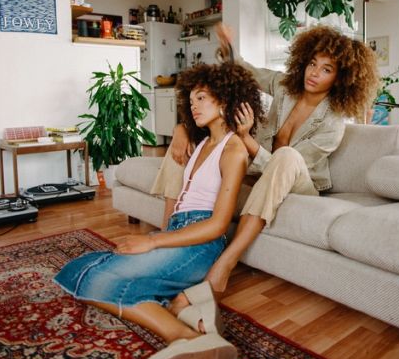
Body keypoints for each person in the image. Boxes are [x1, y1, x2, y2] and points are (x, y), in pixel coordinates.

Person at [54, 61, 266, 359]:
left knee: (100, 279)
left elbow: (217, 225)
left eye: (201, 98)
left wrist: (153, 243)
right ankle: (186, 310)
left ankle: (188, 338)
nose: (192, 106)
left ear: (224, 100)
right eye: (191, 100)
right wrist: (157, 238)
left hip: (200, 243)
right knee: (75, 269)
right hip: (179, 234)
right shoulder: (201, 145)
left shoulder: (233, 149)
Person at [155, 22, 380, 313]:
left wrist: (246, 138)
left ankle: (226, 263)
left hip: (299, 186)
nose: (314, 73)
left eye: (326, 69)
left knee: (286, 156)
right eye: (312, 63)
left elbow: (288, 164)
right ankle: (165, 239)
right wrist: (228, 48)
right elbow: (247, 70)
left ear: (340, 78)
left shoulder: (333, 123)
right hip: (259, 177)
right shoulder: (286, 86)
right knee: (188, 148)